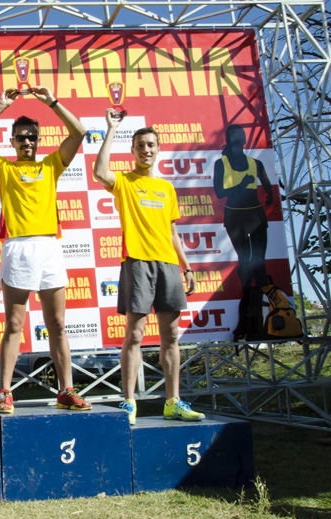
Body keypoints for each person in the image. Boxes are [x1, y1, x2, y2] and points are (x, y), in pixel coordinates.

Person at [0, 87, 90, 414]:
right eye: (21, 137)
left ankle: (66, 390)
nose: (27, 142)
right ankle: (4, 391)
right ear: (12, 141)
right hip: (18, 247)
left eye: (32, 137)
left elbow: (79, 132)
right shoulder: (3, 169)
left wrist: (51, 101)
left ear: (38, 140)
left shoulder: (52, 165)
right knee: (13, 324)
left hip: (49, 246)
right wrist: (2, 104)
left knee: (58, 324)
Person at [93, 110, 203, 424]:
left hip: (168, 264)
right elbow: (100, 170)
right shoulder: (125, 182)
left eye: (151, 144)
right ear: (133, 150)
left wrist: (188, 267)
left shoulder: (167, 189)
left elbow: (172, 233)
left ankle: (173, 401)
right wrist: (111, 128)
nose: (146, 149)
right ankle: (128, 401)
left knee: (171, 336)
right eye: (140, 145)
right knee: (136, 334)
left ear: (158, 149)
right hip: (137, 262)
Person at [213, 124, 274, 325]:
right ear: (229, 140)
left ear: (245, 139)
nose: (238, 139)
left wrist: (270, 195)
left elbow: (266, 184)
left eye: (240, 135)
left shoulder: (255, 163)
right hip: (235, 216)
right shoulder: (221, 163)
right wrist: (241, 185)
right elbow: (220, 192)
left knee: (259, 261)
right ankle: (248, 300)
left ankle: (269, 306)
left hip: (255, 215)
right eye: (234, 136)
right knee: (244, 259)